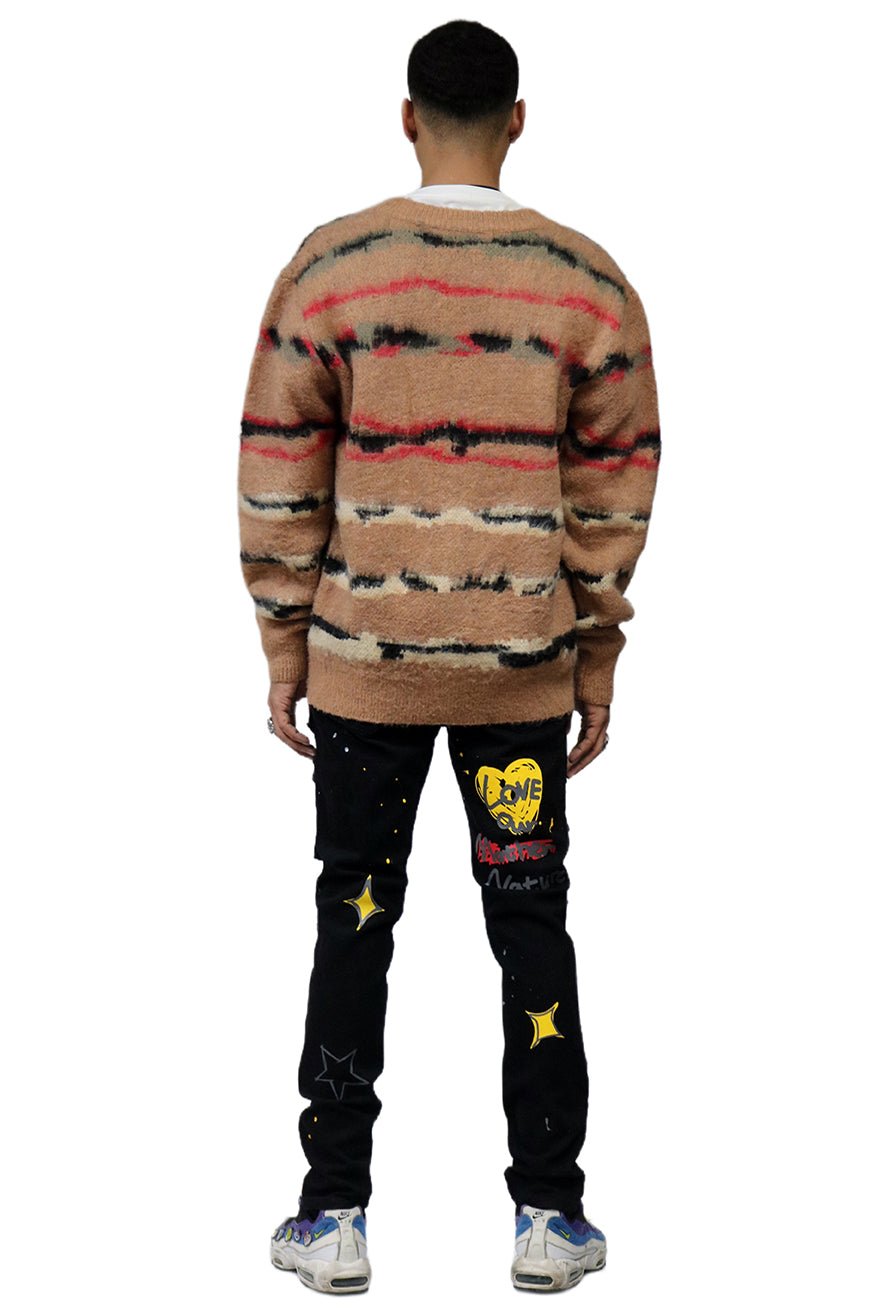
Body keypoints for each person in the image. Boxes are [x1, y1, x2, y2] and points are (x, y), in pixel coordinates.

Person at [238, 19, 661, 1296]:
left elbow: (278, 460)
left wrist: (284, 641)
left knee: (351, 926)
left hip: (362, 670)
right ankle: (551, 1214)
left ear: (407, 116)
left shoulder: (335, 268)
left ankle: (333, 1213)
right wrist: (594, 657)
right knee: (532, 930)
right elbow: (617, 481)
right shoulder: (584, 282)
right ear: (518, 119)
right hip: (520, 673)